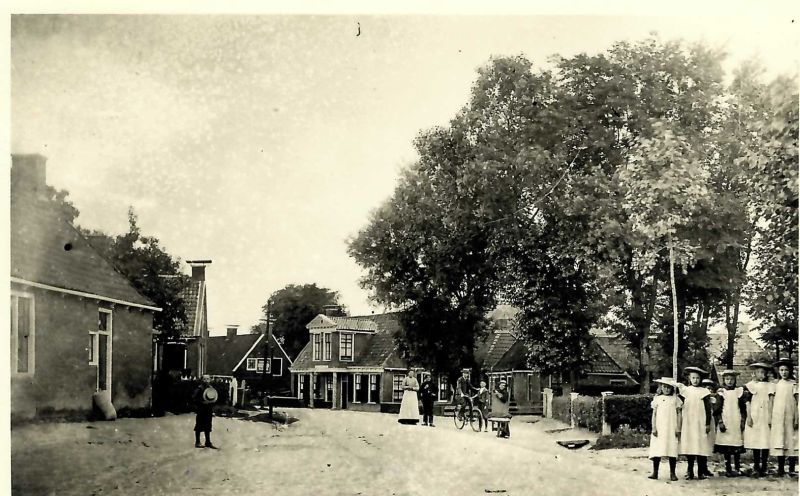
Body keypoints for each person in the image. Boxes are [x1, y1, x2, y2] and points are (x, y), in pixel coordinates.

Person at [677, 366, 712, 480]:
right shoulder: (686, 391)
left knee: (700, 445)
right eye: (693, 378)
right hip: (689, 422)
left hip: (700, 422)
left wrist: (707, 423)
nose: (695, 380)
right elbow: (679, 403)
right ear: (689, 378)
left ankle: (701, 471)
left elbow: (708, 409)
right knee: (690, 446)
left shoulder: (704, 391)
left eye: (697, 378)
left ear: (700, 379)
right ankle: (690, 470)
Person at [743, 362, 775, 477]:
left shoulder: (770, 385)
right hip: (755, 414)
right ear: (754, 373)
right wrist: (749, 416)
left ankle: (764, 466)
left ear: (766, 374)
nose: (761, 374)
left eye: (763, 372)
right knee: (756, 440)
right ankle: (756, 466)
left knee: (765, 440)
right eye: (758, 372)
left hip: (765, 414)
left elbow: (771, 401)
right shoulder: (750, 385)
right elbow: (747, 402)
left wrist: (770, 416)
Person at [648, 377, 682, 481]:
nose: (666, 389)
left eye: (669, 387)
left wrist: (678, 427)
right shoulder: (657, 399)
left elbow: (679, 414)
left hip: (671, 427)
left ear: (672, 388)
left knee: (672, 449)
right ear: (661, 387)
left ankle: (672, 473)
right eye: (664, 387)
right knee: (657, 449)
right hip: (660, 428)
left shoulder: (675, 399)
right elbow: (654, 414)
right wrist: (654, 427)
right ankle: (655, 472)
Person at [715, 370, 746, 477]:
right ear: (724, 380)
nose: (729, 381)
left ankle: (737, 468)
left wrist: (743, 420)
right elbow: (717, 409)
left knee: (736, 445)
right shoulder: (721, 392)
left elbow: (743, 408)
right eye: (727, 379)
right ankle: (728, 468)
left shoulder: (739, 391)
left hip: (736, 421)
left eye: (732, 379)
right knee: (726, 446)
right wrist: (720, 421)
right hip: (726, 420)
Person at [770, 359, 798, 476]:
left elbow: (797, 402)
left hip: (790, 415)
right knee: (780, 439)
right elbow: (771, 401)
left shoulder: (794, 384)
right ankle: (780, 468)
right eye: (781, 370)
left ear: (790, 371)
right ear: (778, 371)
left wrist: (797, 417)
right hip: (778, 416)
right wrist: (771, 417)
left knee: (791, 440)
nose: (784, 372)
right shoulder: (775, 384)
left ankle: (791, 468)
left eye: (786, 370)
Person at [701, 378, 722, 477]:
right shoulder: (700, 398)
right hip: (700, 422)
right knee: (700, 445)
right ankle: (697, 468)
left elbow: (716, 410)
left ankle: (704, 468)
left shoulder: (713, 399)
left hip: (710, 423)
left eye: (710, 388)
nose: (708, 391)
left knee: (707, 445)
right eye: (706, 388)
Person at [193, 375, 218, 449]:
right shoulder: (199, 389)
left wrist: (211, 402)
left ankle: (208, 442)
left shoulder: (211, 388)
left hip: (208, 409)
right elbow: (194, 398)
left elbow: (213, 398)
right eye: (204, 379)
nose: (206, 381)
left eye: (208, 379)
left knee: (208, 425)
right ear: (202, 380)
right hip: (201, 409)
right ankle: (197, 442)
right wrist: (201, 402)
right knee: (199, 425)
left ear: (210, 380)